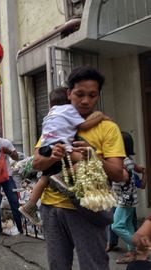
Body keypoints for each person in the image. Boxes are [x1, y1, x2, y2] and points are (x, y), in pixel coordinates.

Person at [33, 66, 126, 270]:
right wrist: (53, 157)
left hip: (88, 208)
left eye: (92, 95)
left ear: (98, 96)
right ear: (69, 94)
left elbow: (119, 174)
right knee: (57, 266)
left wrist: (92, 157)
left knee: (94, 266)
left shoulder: (108, 128)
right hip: (51, 208)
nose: (85, 100)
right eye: (79, 94)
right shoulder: (57, 121)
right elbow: (37, 163)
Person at [18, 87, 108, 225]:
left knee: (44, 177)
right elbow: (84, 125)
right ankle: (61, 177)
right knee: (86, 158)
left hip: (47, 146)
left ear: (50, 104)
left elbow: (37, 163)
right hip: (62, 146)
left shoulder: (50, 113)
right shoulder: (69, 112)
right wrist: (100, 117)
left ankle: (29, 206)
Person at [111, 131, 147, 264]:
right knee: (128, 226)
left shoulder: (123, 162)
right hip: (130, 199)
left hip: (124, 201)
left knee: (116, 226)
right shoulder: (128, 160)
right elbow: (137, 169)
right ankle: (133, 253)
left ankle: (140, 246)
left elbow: (120, 177)